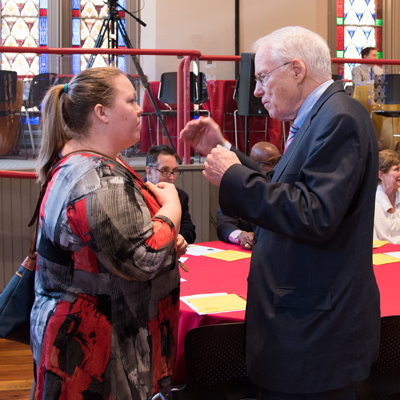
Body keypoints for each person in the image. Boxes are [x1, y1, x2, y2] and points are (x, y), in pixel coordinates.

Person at [181, 26, 380, 399]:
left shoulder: (339, 118)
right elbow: (290, 188)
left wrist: (233, 177)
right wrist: (225, 149)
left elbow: (314, 213)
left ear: (297, 69)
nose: (256, 91)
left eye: (261, 78)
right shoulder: (323, 115)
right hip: (306, 329)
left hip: (316, 336)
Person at [31, 67, 187, 400]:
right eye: (130, 100)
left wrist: (167, 239)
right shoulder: (97, 179)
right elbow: (143, 258)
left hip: (98, 335)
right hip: (95, 348)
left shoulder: (87, 163)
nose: (140, 108)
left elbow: (116, 245)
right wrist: (172, 209)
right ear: (101, 113)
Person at [217, 142, 281, 249]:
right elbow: (224, 224)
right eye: (271, 163)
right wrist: (241, 235)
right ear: (253, 165)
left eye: (279, 162)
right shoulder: (236, 190)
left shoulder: (284, 190)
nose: (277, 169)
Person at [146, 144, 196, 244]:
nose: (171, 177)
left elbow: (189, 232)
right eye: (165, 171)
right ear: (149, 172)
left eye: (174, 171)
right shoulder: (136, 193)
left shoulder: (180, 196)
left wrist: (179, 239)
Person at [374, 149, 400, 243]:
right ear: (381, 175)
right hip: (381, 256)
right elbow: (372, 243)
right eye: (396, 169)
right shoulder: (372, 204)